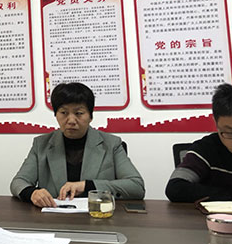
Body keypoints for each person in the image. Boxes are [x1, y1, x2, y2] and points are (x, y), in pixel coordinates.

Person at [10, 82, 145, 207]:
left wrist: (87, 186)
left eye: (79, 113)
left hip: (98, 217)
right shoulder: (41, 144)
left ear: (90, 116)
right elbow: (18, 182)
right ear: (56, 115)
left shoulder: (111, 144)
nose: (71, 120)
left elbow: (136, 186)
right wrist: (32, 193)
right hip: (54, 216)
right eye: (64, 113)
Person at [166, 83, 232, 202]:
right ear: (216, 124)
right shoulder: (206, 149)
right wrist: (227, 195)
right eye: (229, 133)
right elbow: (175, 187)